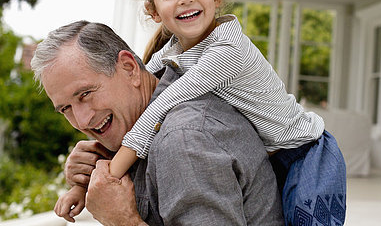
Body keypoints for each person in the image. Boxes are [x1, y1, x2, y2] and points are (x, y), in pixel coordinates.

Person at [57, 0, 347, 226]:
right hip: (274, 154)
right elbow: (143, 78)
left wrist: (110, 176)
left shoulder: (226, 51)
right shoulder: (173, 52)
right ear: (154, 10)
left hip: (306, 154)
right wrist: (87, 177)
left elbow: (160, 105)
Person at [31, 21, 284, 225]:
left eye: (85, 94)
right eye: (66, 108)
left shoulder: (183, 139)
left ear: (129, 68)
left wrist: (123, 221)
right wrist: (86, 176)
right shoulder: (141, 122)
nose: (82, 120)